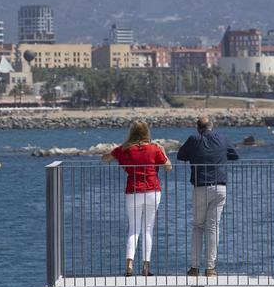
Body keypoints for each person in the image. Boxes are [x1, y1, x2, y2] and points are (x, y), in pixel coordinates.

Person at [102, 120, 171, 276]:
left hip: (133, 191)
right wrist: (163, 152)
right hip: (153, 190)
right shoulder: (154, 149)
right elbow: (168, 166)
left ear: (131, 132)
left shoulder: (125, 149)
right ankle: (146, 267)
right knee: (148, 229)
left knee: (133, 229)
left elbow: (105, 158)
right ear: (147, 132)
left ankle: (129, 264)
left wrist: (114, 151)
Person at [177, 115, 238, 277]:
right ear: (212, 126)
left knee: (198, 227)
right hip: (220, 187)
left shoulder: (194, 139)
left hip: (201, 187)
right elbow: (234, 155)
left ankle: (194, 267)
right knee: (213, 228)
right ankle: (211, 268)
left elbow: (180, 155)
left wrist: (195, 155)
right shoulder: (223, 139)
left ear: (198, 128)